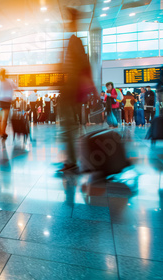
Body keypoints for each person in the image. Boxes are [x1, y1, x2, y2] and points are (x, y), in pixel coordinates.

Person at [58, 8, 97, 172]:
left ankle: (72, 161)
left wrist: (92, 88)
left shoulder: (74, 41)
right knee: (70, 126)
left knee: (68, 126)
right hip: (72, 90)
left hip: (70, 90)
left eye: (70, 19)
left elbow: (83, 65)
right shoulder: (73, 41)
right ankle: (72, 159)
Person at [0, 68, 15, 138]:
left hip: (0, 100)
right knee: (5, 118)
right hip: (7, 101)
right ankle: (3, 132)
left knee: (0, 118)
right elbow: (16, 87)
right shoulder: (9, 81)